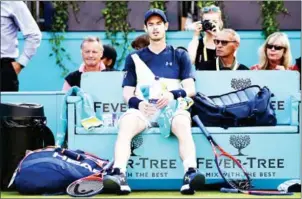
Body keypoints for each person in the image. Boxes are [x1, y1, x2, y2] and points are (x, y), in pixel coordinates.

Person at [103, 8, 205, 195]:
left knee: (183, 122)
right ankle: (119, 173)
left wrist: (172, 95)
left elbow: (191, 90)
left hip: (172, 108)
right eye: (151, 24)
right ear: (145, 28)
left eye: (159, 24)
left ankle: (190, 173)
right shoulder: (134, 58)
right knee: (126, 123)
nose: (155, 28)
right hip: (145, 110)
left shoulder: (180, 55)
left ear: (166, 26)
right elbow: (127, 92)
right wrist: (139, 104)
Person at [1, 1, 42, 91]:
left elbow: (34, 34)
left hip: (4, 69)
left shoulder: (12, 3)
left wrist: (20, 64)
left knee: (5, 104)